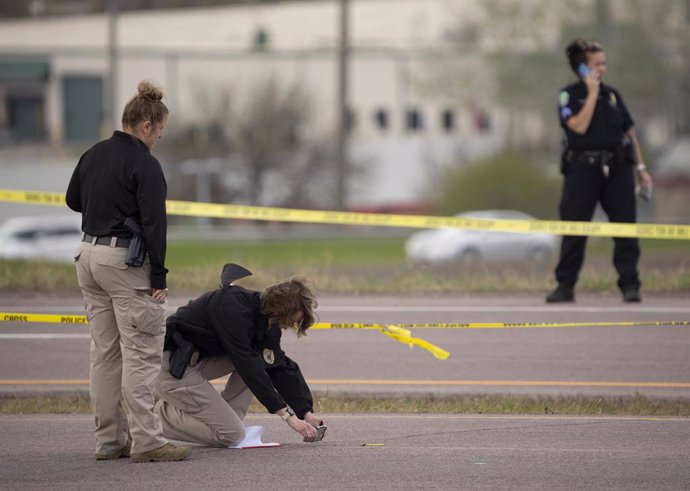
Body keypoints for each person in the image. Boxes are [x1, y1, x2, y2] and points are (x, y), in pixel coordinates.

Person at [66, 80, 190, 463]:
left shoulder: (93, 153)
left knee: (104, 354)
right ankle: (148, 442)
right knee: (140, 354)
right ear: (147, 126)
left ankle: (108, 441)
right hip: (125, 263)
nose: (160, 137)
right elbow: (155, 223)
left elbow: (73, 200)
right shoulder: (145, 164)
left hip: (87, 255)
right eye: (161, 129)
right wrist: (159, 278)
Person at [152, 264, 327, 447]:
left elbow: (277, 364)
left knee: (260, 363)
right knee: (231, 435)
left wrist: (306, 413)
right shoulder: (231, 307)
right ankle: (152, 420)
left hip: (194, 362)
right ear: (280, 308)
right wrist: (287, 417)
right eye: (291, 321)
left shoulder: (268, 321)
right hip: (171, 368)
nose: (290, 326)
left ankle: (220, 417)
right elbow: (246, 363)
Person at [546, 39, 654, 303]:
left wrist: (641, 168)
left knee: (626, 229)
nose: (602, 69)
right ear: (582, 68)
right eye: (596, 64)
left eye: (604, 63)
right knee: (574, 228)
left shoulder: (613, 95)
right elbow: (578, 127)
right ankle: (565, 285)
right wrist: (591, 94)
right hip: (583, 169)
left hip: (618, 168)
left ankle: (630, 285)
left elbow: (630, 133)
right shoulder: (569, 95)